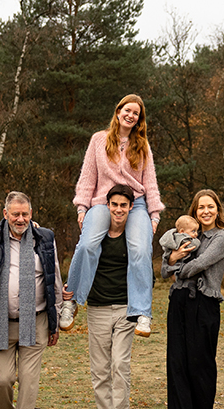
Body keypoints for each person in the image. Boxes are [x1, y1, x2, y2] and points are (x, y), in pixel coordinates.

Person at [64, 94, 164, 337]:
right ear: (118, 111)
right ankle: (71, 301)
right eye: (127, 110)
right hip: (102, 201)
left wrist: (154, 215)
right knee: (87, 244)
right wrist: (82, 207)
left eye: (136, 114)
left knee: (140, 248)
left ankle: (141, 312)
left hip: (136, 203)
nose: (131, 116)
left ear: (139, 120)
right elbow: (88, 177)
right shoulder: (98, 140)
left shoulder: (142, 145)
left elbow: (149, 183)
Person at [0, 191, 62, 409]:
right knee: (2, 380)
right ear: (5, 214)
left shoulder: (44, 238)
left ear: (31, 214)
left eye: (25, 214)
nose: (21, 219)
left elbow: (54, 278)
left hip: (35, 321)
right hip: (1, 322)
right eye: (15, 214)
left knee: (29, 382)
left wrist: (56, 320)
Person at [65, 184, 140, 409]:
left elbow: (143, 273)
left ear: (131, 208)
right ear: (107, 206)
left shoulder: (134, 238)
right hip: (96, 308)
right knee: (100, 370)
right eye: (114, 204)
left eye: (124, 205)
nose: (118, 209)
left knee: (120, 366)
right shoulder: (94, 236)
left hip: (124, 309)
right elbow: (80, 259)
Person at [160, 189, 224, 409]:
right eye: (201, 207)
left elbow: (197, 265)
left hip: (205, 303)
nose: (205, 211)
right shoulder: (184, 233)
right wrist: (172, 260)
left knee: (200, 364)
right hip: (178, 301)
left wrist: (175, 263)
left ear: (217, 209)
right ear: (195, 210)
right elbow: (162, 269)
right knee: (177, 363)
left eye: (210, 207)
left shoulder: (222, 237)